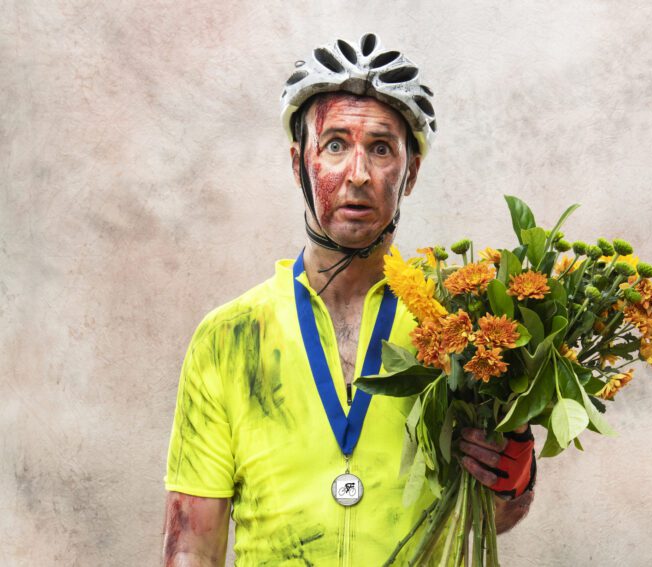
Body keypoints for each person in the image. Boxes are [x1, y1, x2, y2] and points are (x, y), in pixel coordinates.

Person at [162, 33, 536, 566]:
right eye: (335, 144)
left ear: (411, 173)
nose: (357, 174)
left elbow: (496, 515)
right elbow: (192, 547)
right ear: (299, 164)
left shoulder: (462, 325)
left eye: (381, 148)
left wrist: (513, 469)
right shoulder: (230, 336)